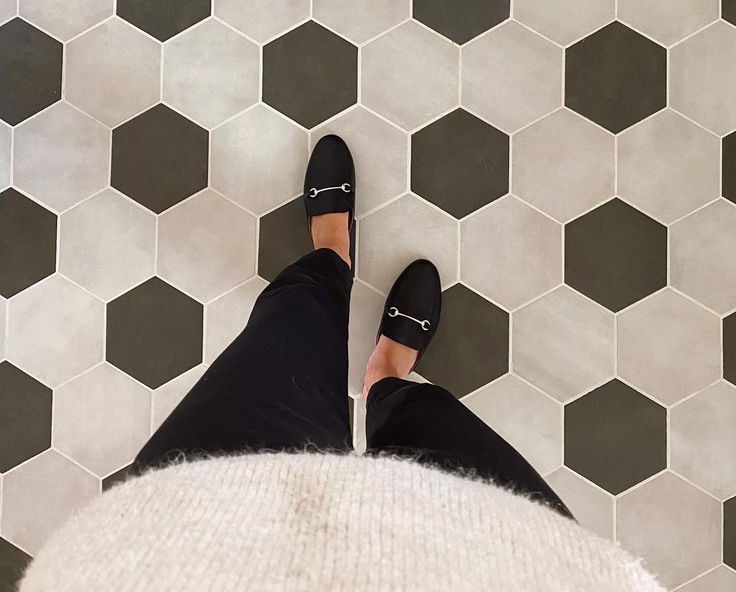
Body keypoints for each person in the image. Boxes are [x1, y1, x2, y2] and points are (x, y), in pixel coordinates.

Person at [20, 137, 664, 592]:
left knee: (291, 333)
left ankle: (331, 259)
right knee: (434, 433)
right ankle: (387, 379)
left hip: (189, 547)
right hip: (512, 566)